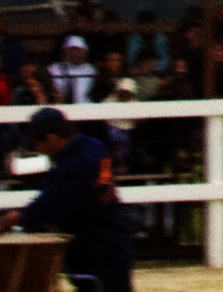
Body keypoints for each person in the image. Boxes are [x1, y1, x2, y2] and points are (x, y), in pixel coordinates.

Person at [10, 108, 134, 292]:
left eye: (38, 143)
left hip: (95, 250)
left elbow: (49, 204)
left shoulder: (72, 166)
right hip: (116, 240)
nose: (38, 149)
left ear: (52, 137)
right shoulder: (95, 146)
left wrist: (18, 216)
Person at [47, 34, 98, 104]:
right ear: (65, 51)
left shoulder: (91, 70)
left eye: (79, 50)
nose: (75, 53)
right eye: (72, 50)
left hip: (86, 106)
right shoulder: (54, 69)